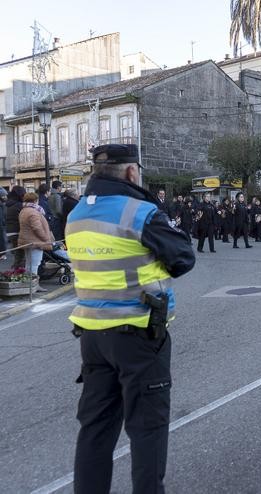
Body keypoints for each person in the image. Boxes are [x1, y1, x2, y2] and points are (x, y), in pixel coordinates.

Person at [65, 143, 195, 493]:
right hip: (138, 333)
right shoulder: (138, 212)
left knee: (95, 430)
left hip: (92, 336)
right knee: (147, 429)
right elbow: (183, 257)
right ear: (132, 172)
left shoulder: (76, 215)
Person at [17, 192, 57, 283]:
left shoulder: (24, 210)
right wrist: (46, 238)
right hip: (35, 241)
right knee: (35, 264)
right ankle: (34, 285)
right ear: (35, 200)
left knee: (29, 263)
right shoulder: (33, 212)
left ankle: (28, 284)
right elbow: (37, 228)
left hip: (27, 240)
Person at [5, 186, 26, 268]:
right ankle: (17, 273)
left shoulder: (8, 204)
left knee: (18, 253)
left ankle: (15, 272)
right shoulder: (19, 205)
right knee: (21, 255)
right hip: (18, 231)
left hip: (10, 231)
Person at [0, 188, 7, 260]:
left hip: (2, 225)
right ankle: (3, 254)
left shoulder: (3, 205)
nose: (5, 197)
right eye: (3, 196)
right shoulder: (2, 205)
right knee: (2, 239)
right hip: (1, 226)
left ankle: (3, 253)